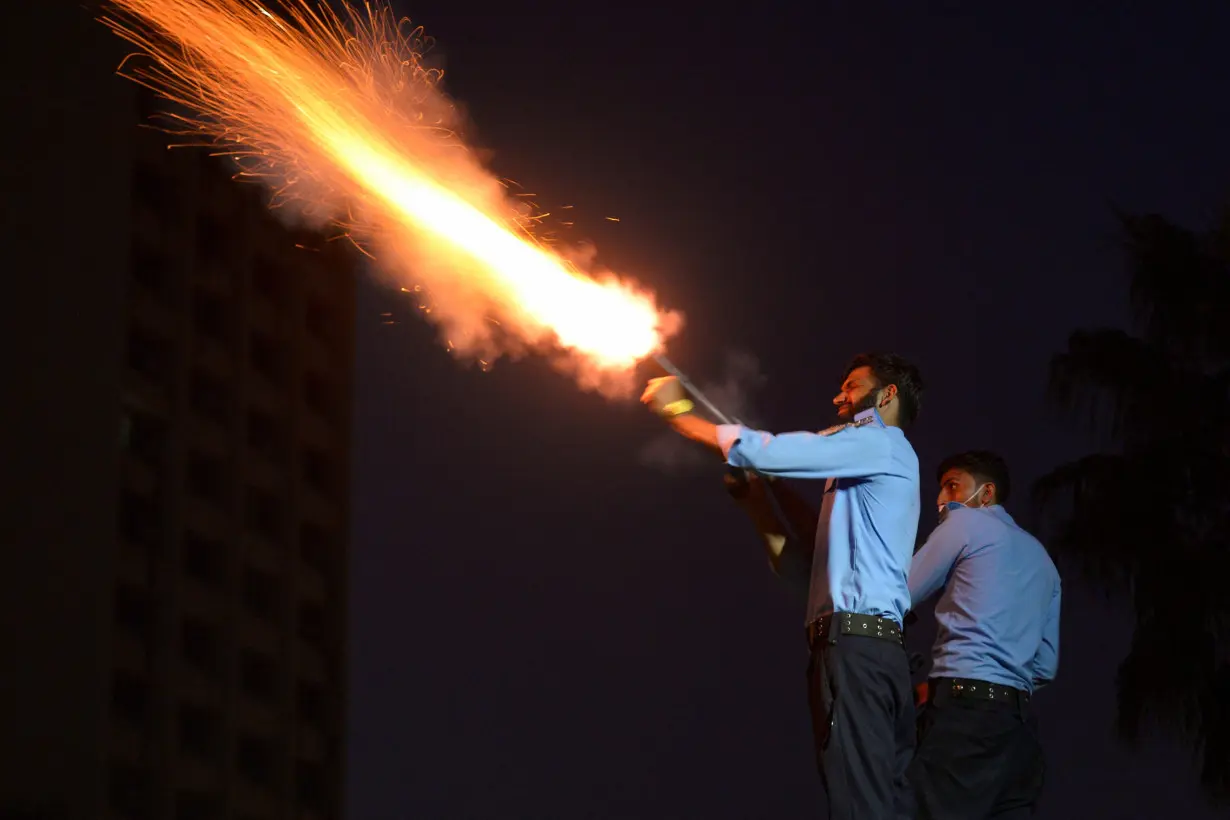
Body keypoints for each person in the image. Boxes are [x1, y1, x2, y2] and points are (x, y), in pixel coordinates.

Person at [642, 352, 924, 820]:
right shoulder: (867, 467)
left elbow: (772, 450)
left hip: (857, 650)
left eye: (852, 386)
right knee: (877, 803)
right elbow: (808, 558)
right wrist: (761, 496)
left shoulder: (882, 442)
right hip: (865, 651)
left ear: (887, 395)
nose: (839, 396)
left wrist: (680, 416)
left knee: (861, 807)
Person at [907, 450, 1061, 819]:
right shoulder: (1044, 561)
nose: (942, 499)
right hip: (1018, 732)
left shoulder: (964, 525)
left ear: (986, 493)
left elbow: (901, 592)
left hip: (963, 721)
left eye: (952, 485)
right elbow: (1046, 665)